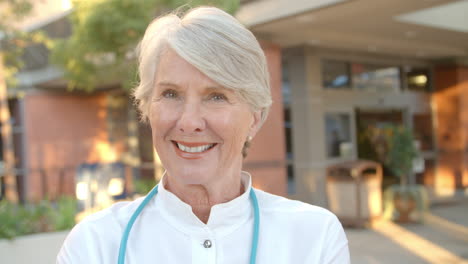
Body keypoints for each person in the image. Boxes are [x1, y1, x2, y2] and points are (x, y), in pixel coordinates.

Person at [57, 6, 350, 264]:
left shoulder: (314, 238)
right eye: (170, 94)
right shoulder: (95, 245)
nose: (189, 122)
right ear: (147, 108)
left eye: (216, 96)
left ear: (254, 119)